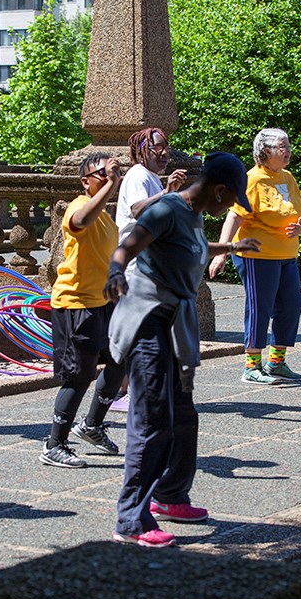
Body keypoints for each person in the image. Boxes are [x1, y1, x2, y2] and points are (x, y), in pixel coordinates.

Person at [104, 152, 260, 548]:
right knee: (153, 415)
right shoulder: (167, 208)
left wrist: (231, 246)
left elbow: (190, 245)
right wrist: (116, 271)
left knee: (184, 414)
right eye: (231, 200)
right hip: (147, 316)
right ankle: (131, 519)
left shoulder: (193, 214)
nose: (230, 207)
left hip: (175, 319)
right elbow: (129, 244)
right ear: (219, 190)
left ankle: (170, 495)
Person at [40, 153, 128, 468]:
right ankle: (55, 443)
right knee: (79, 376)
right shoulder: (79, 206)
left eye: (112, 171)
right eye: (101, 172)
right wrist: (111, 184)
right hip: (75, 303)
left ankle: (91, 425)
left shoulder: (106, 215)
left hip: (102, 303)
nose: (108, 177)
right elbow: (80, 223)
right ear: (85, 181)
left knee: (120, 361)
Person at [209, 128, 301, 384]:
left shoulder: (287, 177)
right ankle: (251, 366)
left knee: (292, 304)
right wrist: (221, 252)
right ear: (265, 152)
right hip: (257, 254)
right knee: (259, 307)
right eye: (282, 147)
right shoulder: (252, 180)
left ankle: (276, 362)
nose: (287, 151)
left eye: (287, 145)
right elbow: (234, 216)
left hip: (287, 253)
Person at [110, 127, 187, 411]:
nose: (164, 152)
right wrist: (167, 192)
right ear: (141, 150)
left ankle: (132, 390)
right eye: (157, 147)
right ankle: (125, 393)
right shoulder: (137, 176)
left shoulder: (152, 179)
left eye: (166, 146)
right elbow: (137, 210)